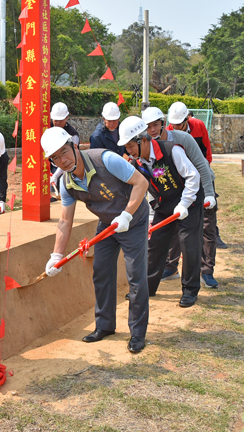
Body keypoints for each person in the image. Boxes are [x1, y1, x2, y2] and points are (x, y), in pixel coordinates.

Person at [41, 127, 150, 354]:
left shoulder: (106, 159)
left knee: (136, 277)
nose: (63, 160)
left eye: (64, 152)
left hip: (134, 221)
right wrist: (56, 255)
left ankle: (137, 334)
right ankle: (105, 326)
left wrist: (127, 215)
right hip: (108, 226)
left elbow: (141, 183)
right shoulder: (67, 183)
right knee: (101, 273)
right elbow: (64, 222)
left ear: (74, 145)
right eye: (55, 158)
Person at [120, 115, 204, 307]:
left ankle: (190, 290)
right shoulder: (138, 163)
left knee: (188, 245)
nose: (129, 151)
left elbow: (193, 176)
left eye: (131, 146)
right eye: (126, 148)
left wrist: (184, 203)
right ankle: (148, 287)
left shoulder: (171, 150)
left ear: (143, 140)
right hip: (164, 206)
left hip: (188, 203)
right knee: (155, 245)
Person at [167, 102, 222, 288]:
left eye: (179, 125)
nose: (175, 128)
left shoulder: (198, 126)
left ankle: (206, 271)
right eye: (172, 125)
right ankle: (171, 266)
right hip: (181, 182)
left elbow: (206, 157)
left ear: (187, 118)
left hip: (203, 177)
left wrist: (207, 192)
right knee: (176, 221)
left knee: (208, 226)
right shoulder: (166, 132)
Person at [49, 102, 79, 197]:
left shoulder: (72, 136)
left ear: (67, 117)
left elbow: (70, 159)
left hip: (66, 169)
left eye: (60, 120)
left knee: (63, 196)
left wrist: (56, 175)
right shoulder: (47, 128)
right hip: (50, 168)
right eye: (55, 120)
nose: (57, 123)